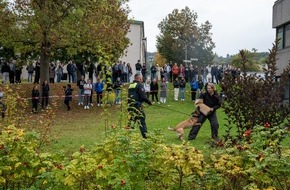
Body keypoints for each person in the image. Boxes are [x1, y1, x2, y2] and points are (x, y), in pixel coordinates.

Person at [128, 73, 152, 138]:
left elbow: (134, 96)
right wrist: (150, 102)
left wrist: (141, 103)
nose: (142, 79)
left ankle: (127, 137)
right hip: (137, 106)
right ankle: (145, 137)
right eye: (141, 78)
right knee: (141, 120)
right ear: (139, 78)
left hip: (130, 106)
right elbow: (143, 96)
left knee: (132, 121)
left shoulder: (131, 85)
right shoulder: (139, 85)